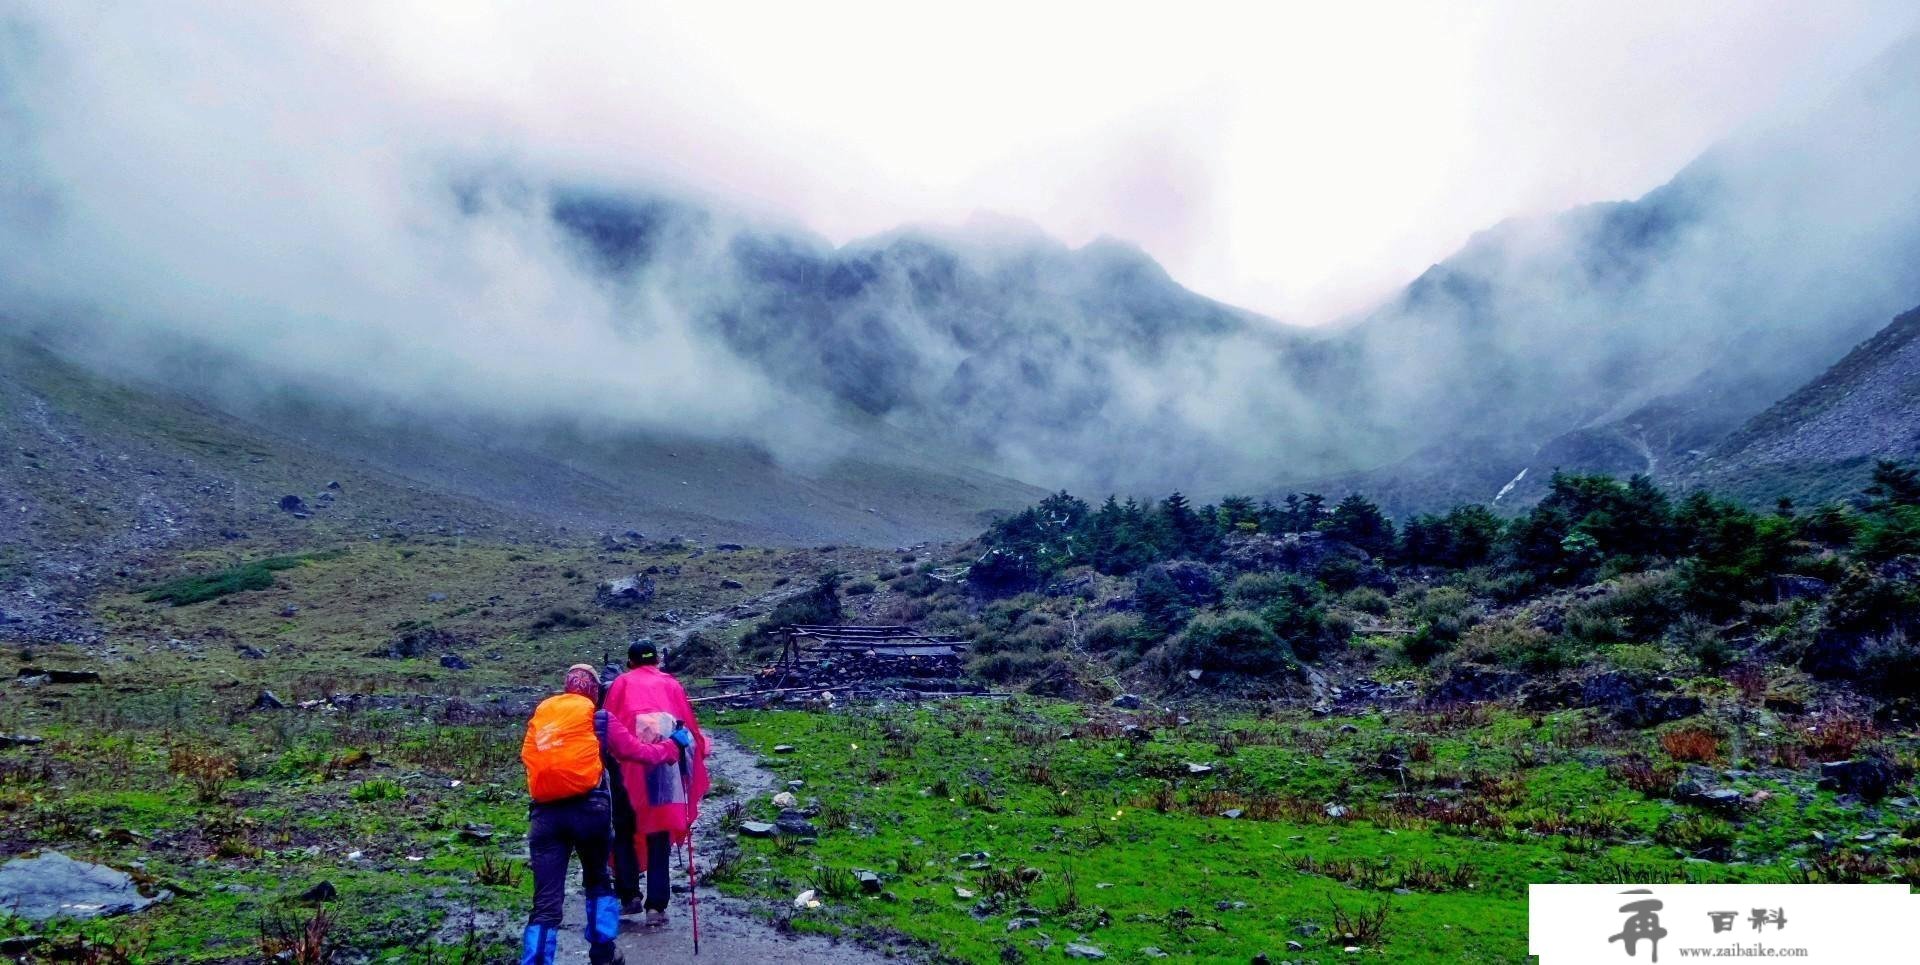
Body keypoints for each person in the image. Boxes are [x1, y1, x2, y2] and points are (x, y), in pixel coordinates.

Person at [521, 664, 692, 965]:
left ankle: (535, 961)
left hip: (544, 816)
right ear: (594, 692)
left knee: (545, 901)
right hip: (591, 811)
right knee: (598, 882)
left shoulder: (544, 715)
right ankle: (603, 954)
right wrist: (672, 746)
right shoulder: (599, 718)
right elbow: (640, 753)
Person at [601, 639, 710, 928]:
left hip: (627, 768)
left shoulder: (620, 684)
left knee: (624, 828)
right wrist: (696, 752)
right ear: (656, 661)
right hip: (664, 767)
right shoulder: (672, 685)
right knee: (658, 830)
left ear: (631, 661)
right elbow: (688, 725)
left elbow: (608, 727)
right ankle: (656, 907)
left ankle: (629, 896)